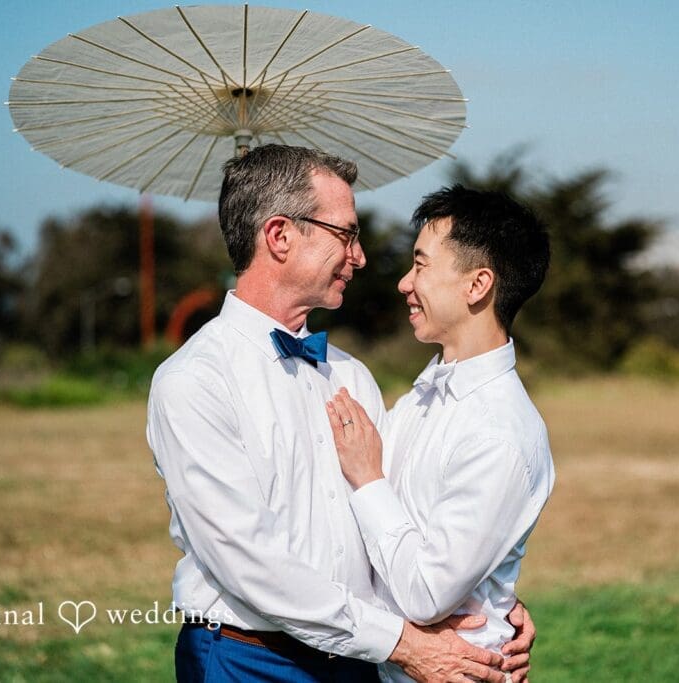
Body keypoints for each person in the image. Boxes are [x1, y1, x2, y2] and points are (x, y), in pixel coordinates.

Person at [146, 145, 532, 682]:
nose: (361, 256)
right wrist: (402, 643)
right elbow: (248, 560)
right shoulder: (195, 381)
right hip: (247, 660)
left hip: (359, 660)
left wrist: (489, 604)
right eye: (346, 235)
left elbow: (402, 521)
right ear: (279, 236)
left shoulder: (351, 376)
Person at [325, 185, 554, 683]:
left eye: (421, 265)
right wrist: (496, 593)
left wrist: (368, 480)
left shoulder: (498, 434)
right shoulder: (422, 399)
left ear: (477, 285)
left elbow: (427, 594)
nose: (404, 283)